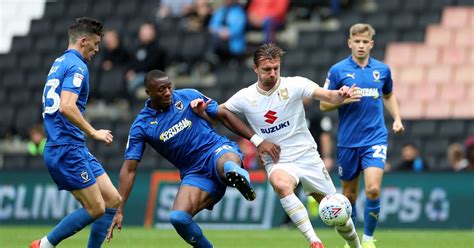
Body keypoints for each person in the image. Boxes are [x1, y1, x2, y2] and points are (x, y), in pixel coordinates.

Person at [199, 43, 362, 248]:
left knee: (335, 211)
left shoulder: (294, 85)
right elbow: (218, 115)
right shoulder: (245, 97)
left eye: (276, 68)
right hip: (278, 160)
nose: (273, 73)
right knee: (281, 184)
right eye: (267, 69)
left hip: (307, 156)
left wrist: (342, 93)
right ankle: (314, 241)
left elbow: (329, 96)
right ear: (255, 69)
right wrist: (202, 110)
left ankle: (356, 245)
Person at [106, 70, 280, 247]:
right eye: (161, 90)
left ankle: (240, 179)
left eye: (169, 87)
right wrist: (119, 208)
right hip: (195, 173)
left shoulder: (189, 95)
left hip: (216, 150)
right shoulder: (141, 126)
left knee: (228, 166)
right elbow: (129, 169)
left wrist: (257, 141)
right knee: (178, 218)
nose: (167, 92)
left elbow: (223, 115)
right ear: (148, 93)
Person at [30, 17, 122, 248]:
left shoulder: (59, 62)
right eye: (96, 43)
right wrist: (94, 132)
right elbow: (67, 106)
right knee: (96, 208)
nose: (98, 49)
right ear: (83, 41)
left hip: (72, 146)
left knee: (112, 199)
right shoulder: (78, 66)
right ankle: (44, 245)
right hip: (66, 148)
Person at [320, 23, 405, 248]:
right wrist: (343, 99)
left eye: (364, 42)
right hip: (348, 142)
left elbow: (388, 95)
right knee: (349, 196)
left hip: (375, 138)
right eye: (356, 41)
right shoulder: (337, 71)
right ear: (349, 43)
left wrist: (397, 118)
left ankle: (368, 239)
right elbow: (323, 105)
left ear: (371, 44)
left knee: (373, 189)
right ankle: (353, 241)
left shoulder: (382, 70)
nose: (360, 45)